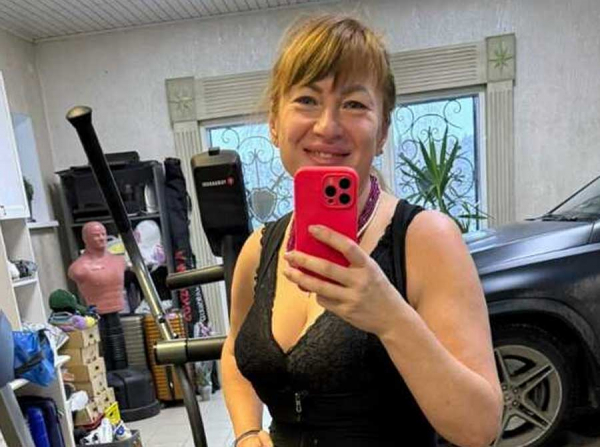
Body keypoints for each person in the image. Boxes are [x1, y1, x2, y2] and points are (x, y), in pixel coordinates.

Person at [222, 15, 503, 447]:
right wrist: (246, 431)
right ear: (274, 123)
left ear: (383, 129)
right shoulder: (259, 249)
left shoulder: (426, 240)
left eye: (354, 104)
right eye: (307, 100)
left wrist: (390, 317)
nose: (327, 126)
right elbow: (234, 351)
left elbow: (479, 428)